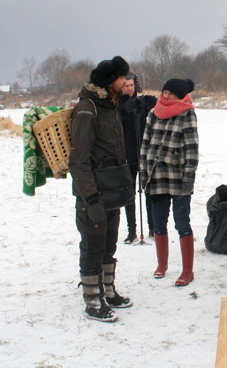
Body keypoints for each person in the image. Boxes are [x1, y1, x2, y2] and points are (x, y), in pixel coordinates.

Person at [69, 56, 133, 322]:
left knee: (108, 244)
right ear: (110, 82)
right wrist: (91, 197)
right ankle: (93, 299)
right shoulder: (88, 109)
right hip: (93, 194)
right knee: (92, 246)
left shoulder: (109, 106)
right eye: (122, 78)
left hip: (112, 190)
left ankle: (108, 290)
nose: (126, 82)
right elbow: (79, 159)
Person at [139, 78, 199, 287]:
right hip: (156, 176)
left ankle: (187, 271)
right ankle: (161, 265)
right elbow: (145, 145)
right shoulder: (153, 113)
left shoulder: (187, 114)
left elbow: (192, 148)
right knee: (158, 223)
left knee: (182, 222)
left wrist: (189, 176)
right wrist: (143, 172)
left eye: (170, 94)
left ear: (180, 96)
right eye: (164, 92)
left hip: (178, 176)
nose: (165, 96)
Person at [118, 74, 157, 244]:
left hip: (145, 153)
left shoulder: (142, 103)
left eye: (132, 85)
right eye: (126, 85)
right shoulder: (117, 106)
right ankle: (131, 230)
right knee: (129, 193)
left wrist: (148, 105)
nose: (129, 88)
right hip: (127, 155)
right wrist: (125, 110)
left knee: (148, 191)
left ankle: (153, 228)